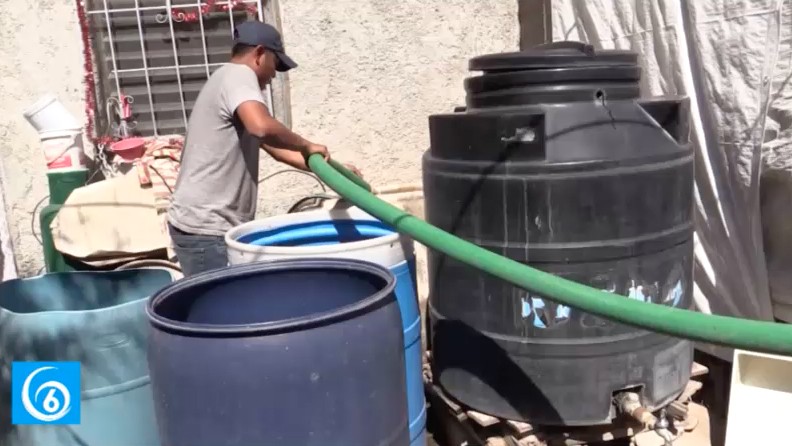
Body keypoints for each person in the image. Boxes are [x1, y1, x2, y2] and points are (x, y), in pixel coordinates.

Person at [167, 20, 358, 276]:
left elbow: (277, 150)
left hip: (206, 226)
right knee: (219, 312)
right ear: (259, 54)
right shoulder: (238, 75)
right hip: (206, 229)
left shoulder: (227, 82)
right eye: (275, 64)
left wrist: (334, 171)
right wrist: (305, 143)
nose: (274, 74)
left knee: (228, 307)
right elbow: (261, 127)